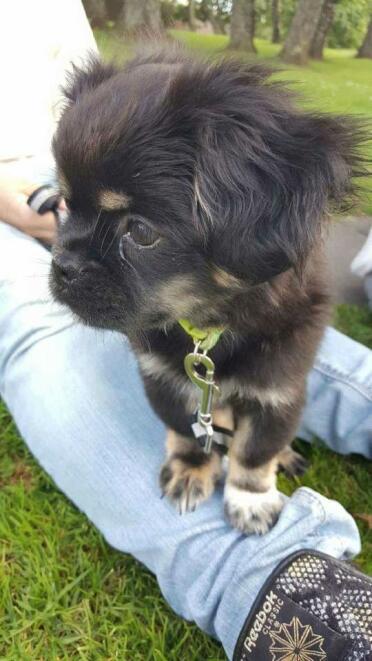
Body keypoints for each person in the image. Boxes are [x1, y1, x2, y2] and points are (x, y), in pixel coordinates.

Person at [0, 2, 371, 659]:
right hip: (21, 196)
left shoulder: (242, 199)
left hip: (249, 302)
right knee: (39, 331)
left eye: (139, 229)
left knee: (283, 378)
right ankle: (272, 590)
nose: (71, 259)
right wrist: (188, 447)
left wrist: (252, 472)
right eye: (71, 211)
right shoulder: (96, 192)